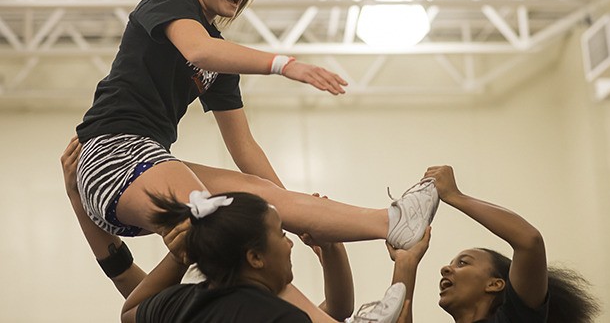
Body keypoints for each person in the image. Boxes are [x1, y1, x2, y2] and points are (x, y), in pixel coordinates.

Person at [74, 0, 439, 255]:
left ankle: (391, 223)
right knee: (222, 224)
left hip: (149, 162)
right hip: (113, 156)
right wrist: (285, 65)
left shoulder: (220, 62)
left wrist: (291, 206)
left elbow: (245, 148)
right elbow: (197, 49)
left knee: (263, 200)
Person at [62, 136, 422, 323]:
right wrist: (405, 266)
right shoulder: (274, 315)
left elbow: (129, 308)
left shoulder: (185, 303)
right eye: (282, 234)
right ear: (254, 257)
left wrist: (78, 201)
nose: (291, 243)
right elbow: (337, 313)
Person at [388, 165, 602, 323]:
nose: (445, 269)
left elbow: (529, 241)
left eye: (463, 263)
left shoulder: (514, 318)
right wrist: (406, 263)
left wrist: (455, 196)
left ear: (495, 284)